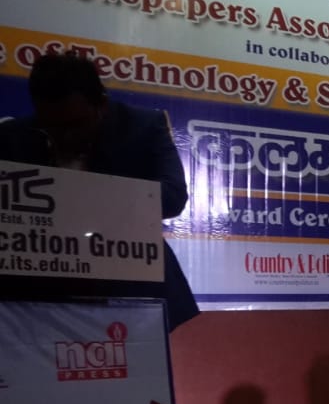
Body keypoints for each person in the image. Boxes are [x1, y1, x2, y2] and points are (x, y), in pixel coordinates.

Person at [0, 51, 198, 331]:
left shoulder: (143, 127)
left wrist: (85, 193)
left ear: (101, 105)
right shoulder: (12, 137)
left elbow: (173, 197)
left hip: (133, 289)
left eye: (75, 125)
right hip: (41, 301)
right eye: (51, 127)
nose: (65, 137)